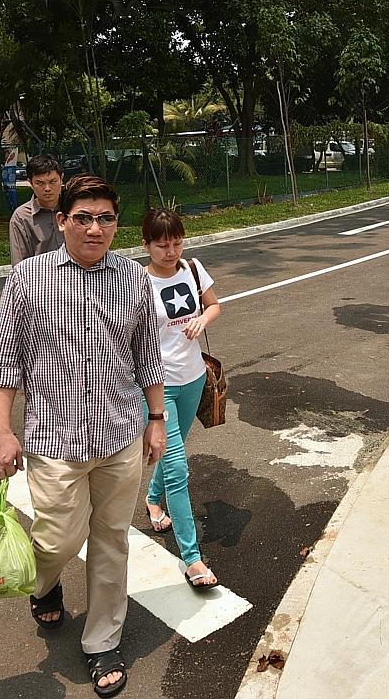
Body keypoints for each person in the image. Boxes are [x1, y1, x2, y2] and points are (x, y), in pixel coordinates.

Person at [0, 174, 166, 699]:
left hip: (119, 435)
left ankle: (102, 640)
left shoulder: (133, 278)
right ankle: (45, 584)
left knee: (112, 539)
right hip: (55, 442)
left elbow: (146, 356)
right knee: (57, 538)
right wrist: (1, 431)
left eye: (105, 218)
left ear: (116, 224)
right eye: (83, 217)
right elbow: (4, 362)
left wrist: (157, 420)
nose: (95, 227)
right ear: (61, 221)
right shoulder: (27, 280)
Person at [140, 207, 222, 591]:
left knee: (175, 452)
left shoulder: (191, 268)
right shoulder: (137, 282)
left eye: (176, 243)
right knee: (177, 467)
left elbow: (214, 304)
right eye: (162, 245)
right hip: (158, 386)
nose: (170, 251)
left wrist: (204, 319)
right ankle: (192, 559)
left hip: (193, 379)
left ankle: (153, 500)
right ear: (146, 245)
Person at [7, 154, 64, 265]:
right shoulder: (21, 217)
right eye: (40, 183)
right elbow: (19, 264)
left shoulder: (74, 209)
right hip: (40, 279)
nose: (47, 188)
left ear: (61, 179)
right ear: (30, 183)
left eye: (53, 181)